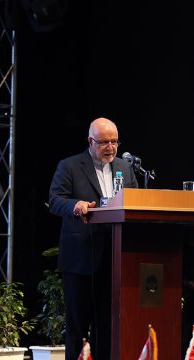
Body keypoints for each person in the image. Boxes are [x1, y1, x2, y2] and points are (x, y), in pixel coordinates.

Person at [48, 117, 138, 360]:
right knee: (78, 326)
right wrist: (74, 204)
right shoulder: (70, 166)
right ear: (90, 141)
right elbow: (55, 200)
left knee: (107, 324)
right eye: (104, 142)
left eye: (114, 142)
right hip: (81, 256)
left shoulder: (124, 168)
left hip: (114, 257)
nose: (110, 147)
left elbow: (135, 202)